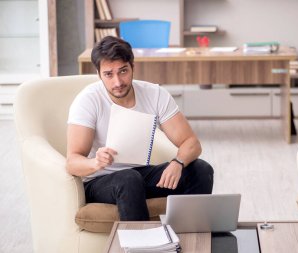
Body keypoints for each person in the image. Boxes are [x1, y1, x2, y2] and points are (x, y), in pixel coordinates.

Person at [66, 36, 214, 221]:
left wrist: (178, 162)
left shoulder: (155, 94)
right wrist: (95, 162)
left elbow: (192, 144)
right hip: (100, 180)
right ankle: (143, 245)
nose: (118, 82)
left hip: (140, 175)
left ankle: (189, 236)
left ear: (133, 67)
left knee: (200, 169)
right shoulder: (88, 100)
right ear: (99, 74)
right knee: (129, 178)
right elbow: (72, 162)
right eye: (109, 74)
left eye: (123, 71)